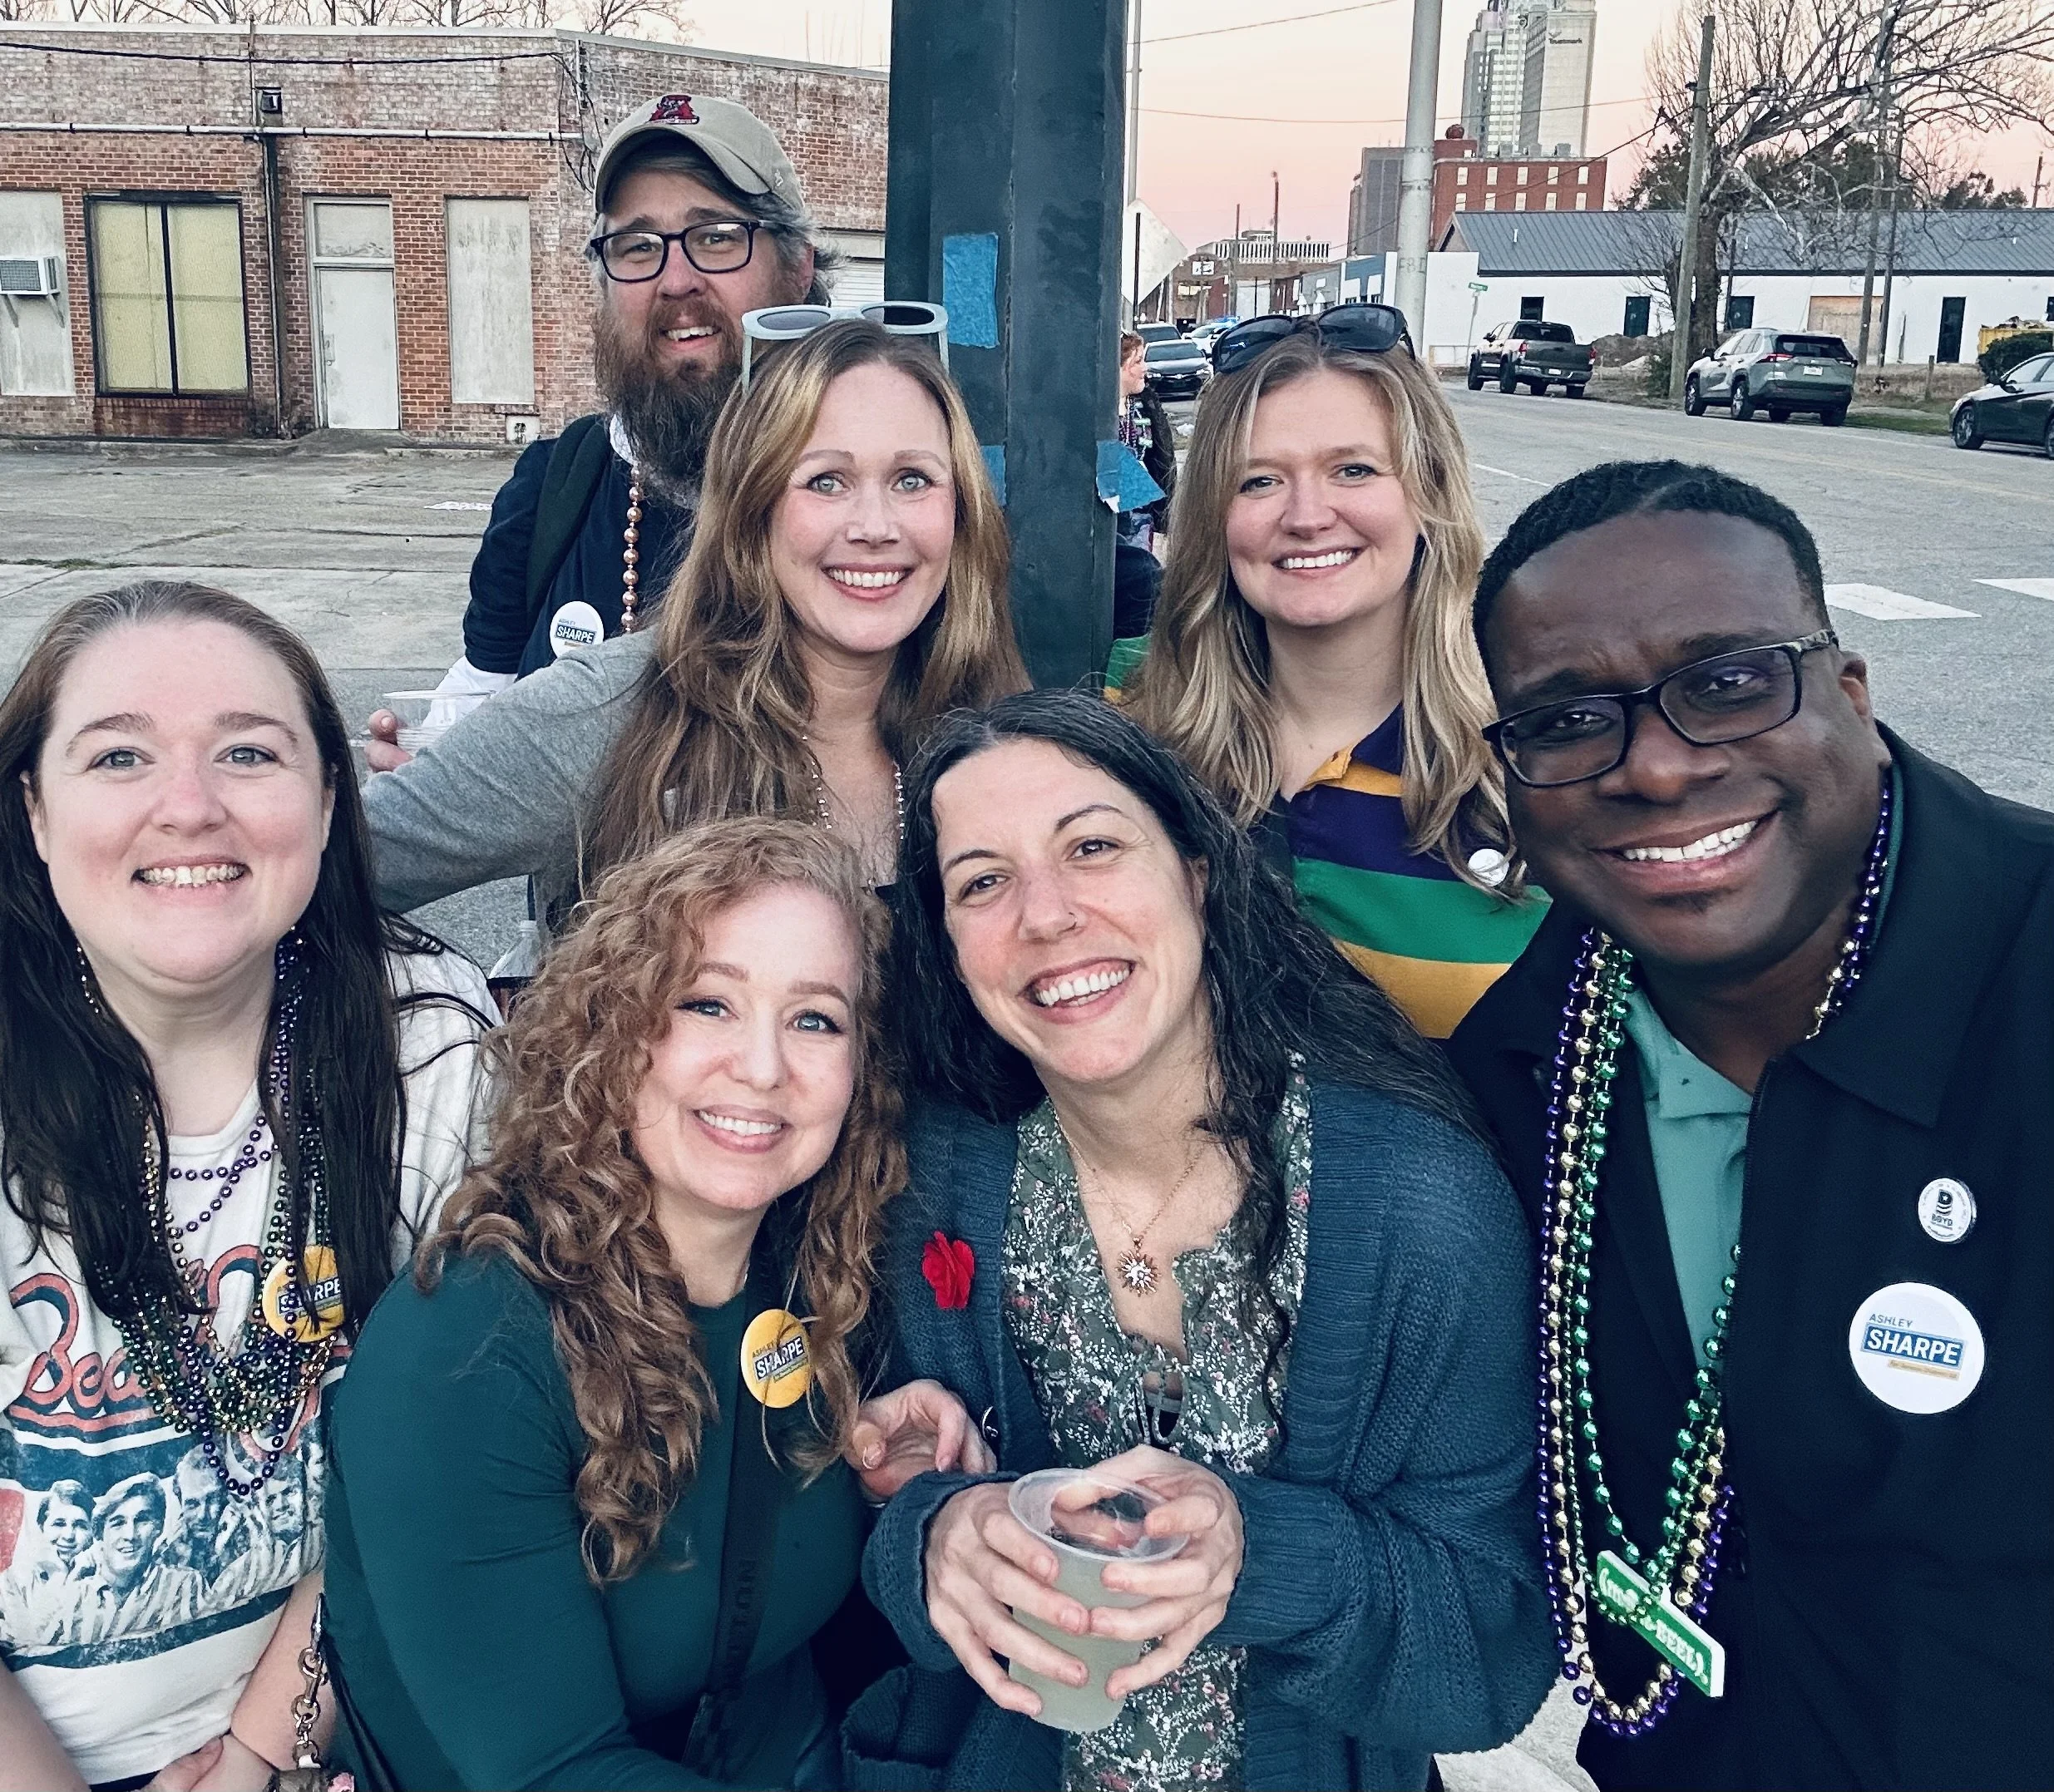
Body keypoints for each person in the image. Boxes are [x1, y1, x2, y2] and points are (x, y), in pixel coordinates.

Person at [1446, 461, 2054, 1789]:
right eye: (1566, 720)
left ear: (1846, 690)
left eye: (1726, 681)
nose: (1656, 766)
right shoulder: (1519, 1063)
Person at [847, 690, 1555, 1792]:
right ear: (945, 942)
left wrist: (1256, 1553)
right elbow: (878, 1531)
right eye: (981, 879)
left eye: (1091, 846)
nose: (1045, 914)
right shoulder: (940, 1177)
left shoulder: (1419, 1208)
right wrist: (936, 1528)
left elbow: (1494, 1650)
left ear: (1195, 871)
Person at [322, 819, 986, 1790]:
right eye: (707, 1002)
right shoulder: (467, 1349)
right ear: (615, 1026)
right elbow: (555, 1770)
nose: (763, 1066)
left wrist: (875, 1474)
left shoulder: (815, 1280)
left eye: (816, 1019)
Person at [0, 582, 491, 1791]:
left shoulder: (428, 1050)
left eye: (248, 751)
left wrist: (261, 1755)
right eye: (119, 754)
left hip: (332, 1732)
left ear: (331, 795)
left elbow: (429, 1462)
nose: (188, 805)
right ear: (35, 811)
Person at [364, 317, 1028, 921]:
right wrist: (447, 1026)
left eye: (913, 479)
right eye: (826, 480)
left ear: (960, 508)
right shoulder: (614, 713)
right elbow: (325, 873)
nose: (876, 527)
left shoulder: (998, 722)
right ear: (753, 507)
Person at [363, 91, 835, 767]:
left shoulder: (865, 493)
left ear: (798, 268)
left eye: (716, 237)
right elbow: (483, 699)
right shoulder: (555, 486)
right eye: (637, 246)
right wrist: (431, 765)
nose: (677, 279)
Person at [1113, 307, 1546, 1039]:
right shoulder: (1125, 723)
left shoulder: (1533, 765)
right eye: (1259, 482)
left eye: (1353, 469)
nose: (1308, 515)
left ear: (1428, 492)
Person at [1113, 332, 1178, 640]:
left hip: (1143, 517)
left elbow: (1161, 459)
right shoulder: (1098, 418)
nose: (1145, 369)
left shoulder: (1146, 406)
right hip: (1118, 522)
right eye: (1137, 361)